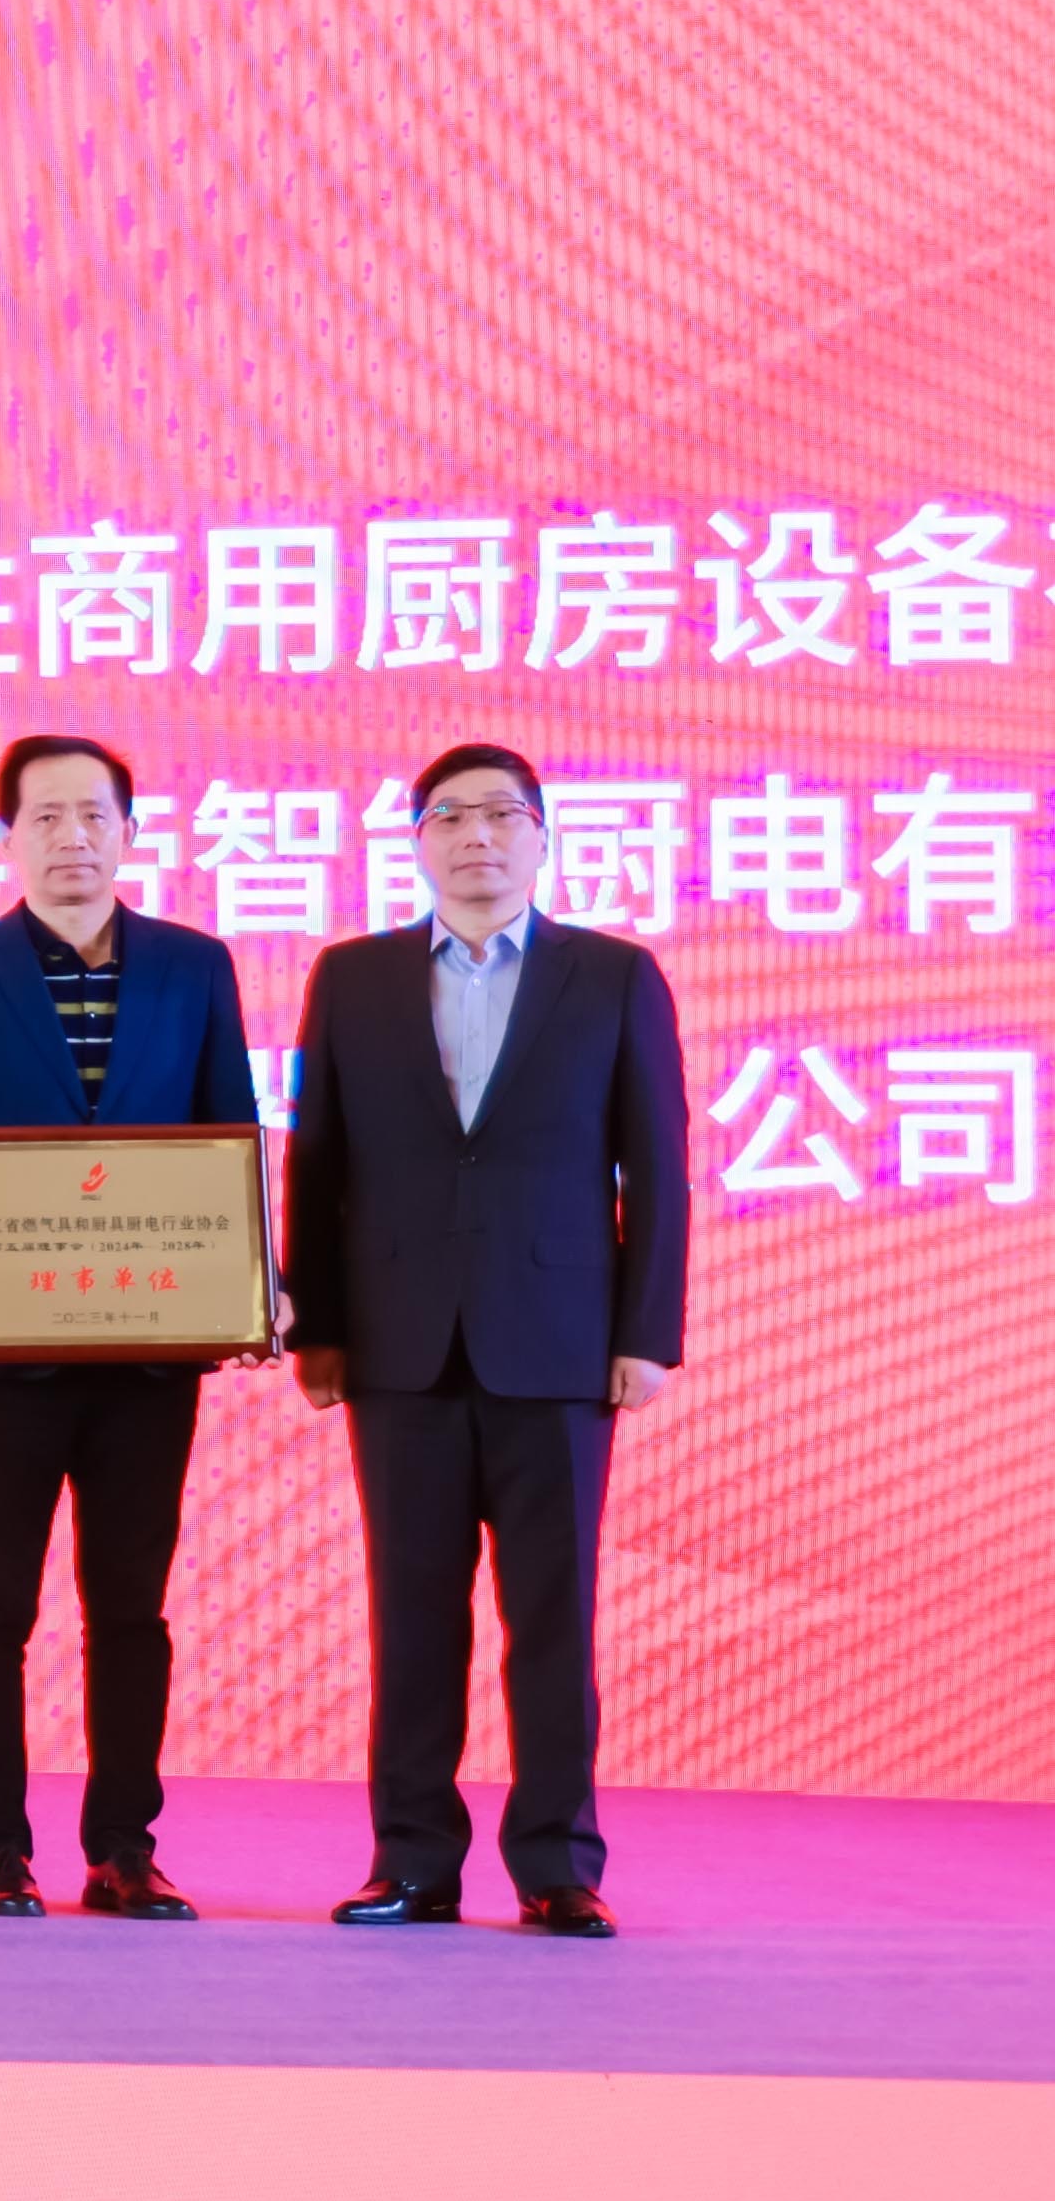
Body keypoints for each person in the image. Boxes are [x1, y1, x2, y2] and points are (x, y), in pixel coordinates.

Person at [285, 739, 690, 1938]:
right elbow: (317, 1160)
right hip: (397, 1348)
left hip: (558, 1343)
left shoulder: (612, 976)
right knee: (412, 1617)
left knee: (552, 1619)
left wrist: (646, 1331)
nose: (478, 837)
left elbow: (656, 1166)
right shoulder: (351, 976)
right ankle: (412, 1860)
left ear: (541, 836)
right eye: (450, 817)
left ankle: (557, 1863)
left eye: (503, 815)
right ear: (416, 843)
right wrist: (317, 1326)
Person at [0, 732, 267, 1921]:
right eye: (44, 817)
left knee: (131, 1609)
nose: (71, 838)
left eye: (93, 816)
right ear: (7, 837)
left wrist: (249, 1284)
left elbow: (230, 1140)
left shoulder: (195, 968)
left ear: (130, 834)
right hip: (3, 1351)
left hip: (150, 1353)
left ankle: (123, 1847)